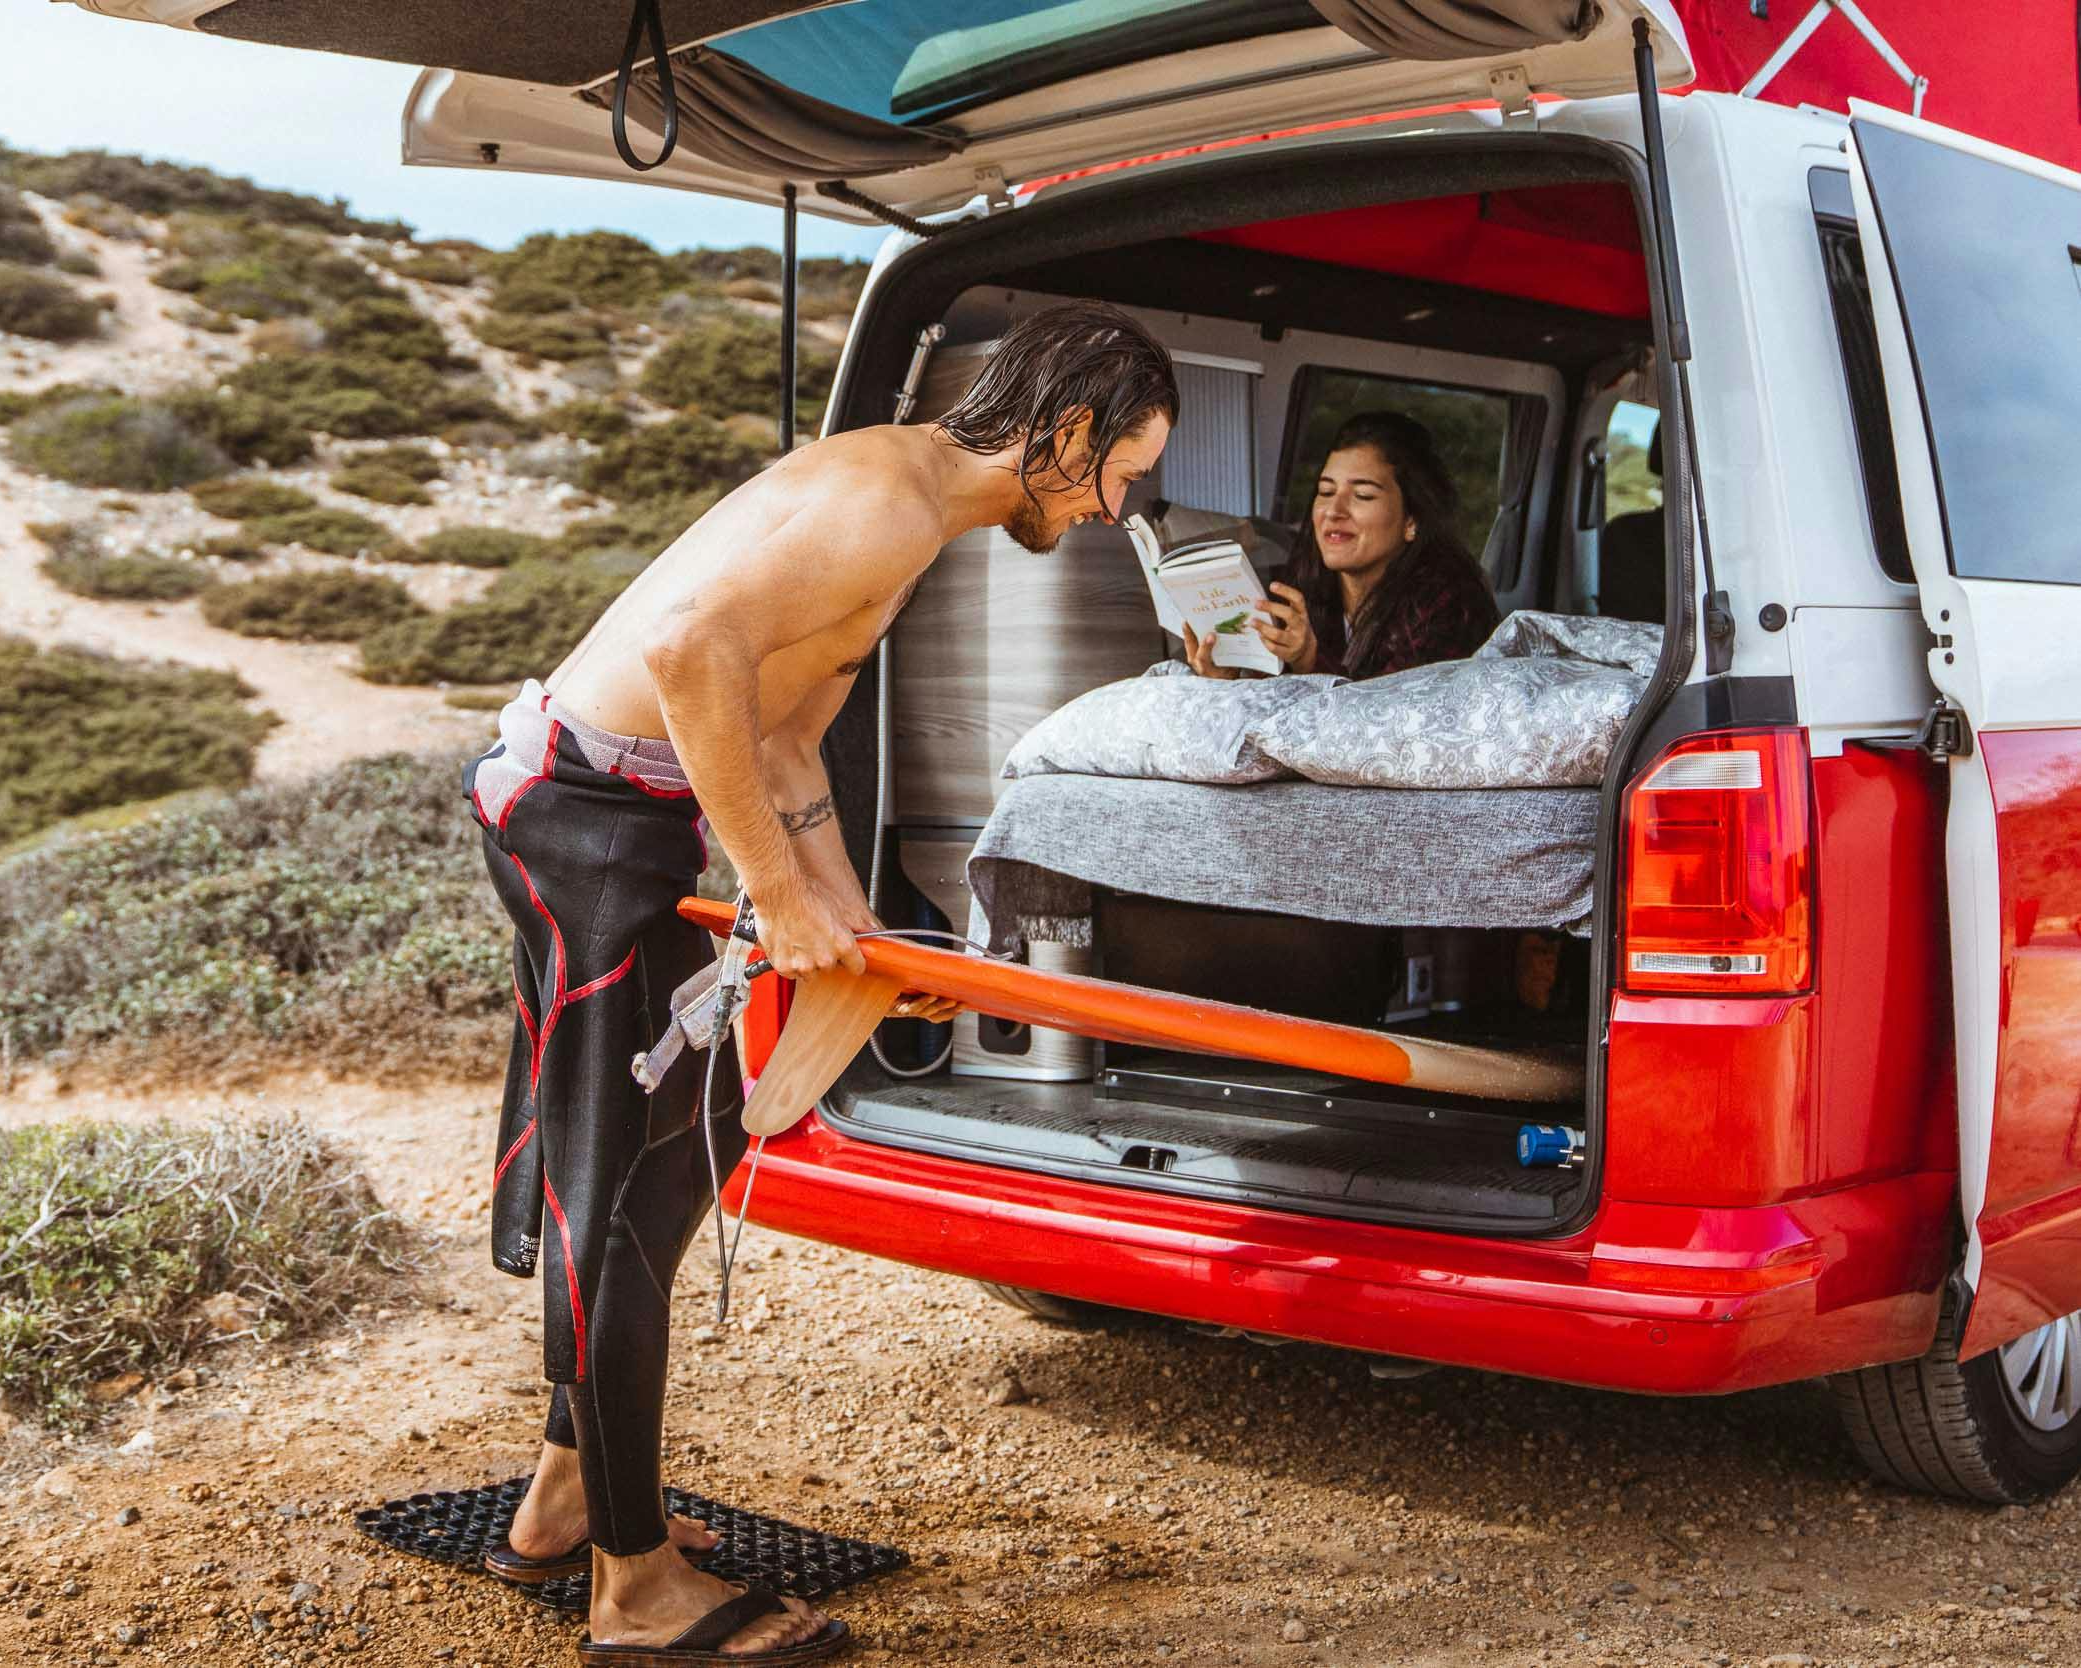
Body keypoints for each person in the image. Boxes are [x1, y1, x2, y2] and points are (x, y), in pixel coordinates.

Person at [459, 300, 1178, 1663]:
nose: (1113, 508)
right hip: (584, 819)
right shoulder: (884, 505)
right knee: (616, 1191)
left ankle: (569, 1491)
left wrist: (859, 931)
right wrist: (776, 899)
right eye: (1122, 473)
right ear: (1067, 434)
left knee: (694, 1148)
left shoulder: (910, 499)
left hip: (629, 813)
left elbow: (785, 741)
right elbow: (685, 657)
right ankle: (630, 1591)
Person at [1182, 409, 1498, 681]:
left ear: (1411, 521)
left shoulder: (1450, 605)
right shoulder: (1301, 588)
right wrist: (1229, 677)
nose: (1334, 511)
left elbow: (1398, 725)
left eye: (1362, 496)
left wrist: (1309, 662)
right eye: (1325, 491)